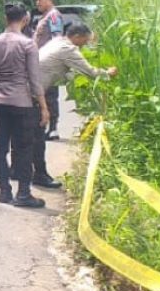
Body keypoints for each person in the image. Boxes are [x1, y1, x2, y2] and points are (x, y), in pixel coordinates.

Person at [31, 20, 118, 188]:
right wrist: (108, 73)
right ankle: (40, 175)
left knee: (26, 134)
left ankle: (18, 171)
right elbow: (91, 72)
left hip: (28, 88)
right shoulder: (68, 49)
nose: (84, 45)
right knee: (37, 136)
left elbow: (64, 73)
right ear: (77, 37)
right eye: (84, 41)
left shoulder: (56, 42)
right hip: (34, 94)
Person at [0, 3, 49, 208]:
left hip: (0, 104)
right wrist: (44, 107)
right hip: (22, 104)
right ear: (25, 20)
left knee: (0, 147)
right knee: (23, 149)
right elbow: (34, 79)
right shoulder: (28, 44)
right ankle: (23, 194)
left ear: (6, 19)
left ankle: (4, 191)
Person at [33, 0, 64, 139]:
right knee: (42, 95)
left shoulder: (53, 16)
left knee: (50, 95)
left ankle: (53, 128)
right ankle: (45, 127)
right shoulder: (43, 17)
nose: (37, 2)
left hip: (49, 63)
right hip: (40, 63)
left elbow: (56, 38)